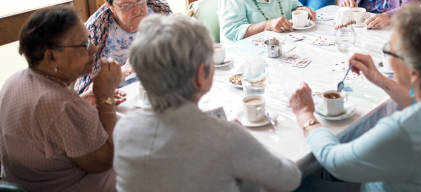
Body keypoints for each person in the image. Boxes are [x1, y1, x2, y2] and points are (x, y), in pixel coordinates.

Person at [289, 6, 421, 191]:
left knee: (295, 182)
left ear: (415, 74)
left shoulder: (405, 128)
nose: (388, 58)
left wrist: (305, 115)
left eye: (390, 52)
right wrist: (380, 79)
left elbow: (335, 162)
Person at [113, 14, 301, 191]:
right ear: (200, 75)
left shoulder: (123, 129)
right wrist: (247, 141)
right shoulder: (225, 136)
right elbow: (289, 179)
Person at [0, 7, 121, 192]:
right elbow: (103, 161)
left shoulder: (15, 80)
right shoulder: (60, 104)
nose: (94, 48)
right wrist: (106, 96)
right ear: (51, 57)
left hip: (23, 182)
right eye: (83, 44)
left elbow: (50, 129)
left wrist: (80, 102)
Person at [74, 0, 171, 94]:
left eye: (140, 0)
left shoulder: (159, 9)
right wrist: (123, 71)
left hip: (162, 89)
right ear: (109, 5)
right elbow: (83, 92)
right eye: (127, 5)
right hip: (119, 99)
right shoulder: (94, 31)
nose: (137, 10)